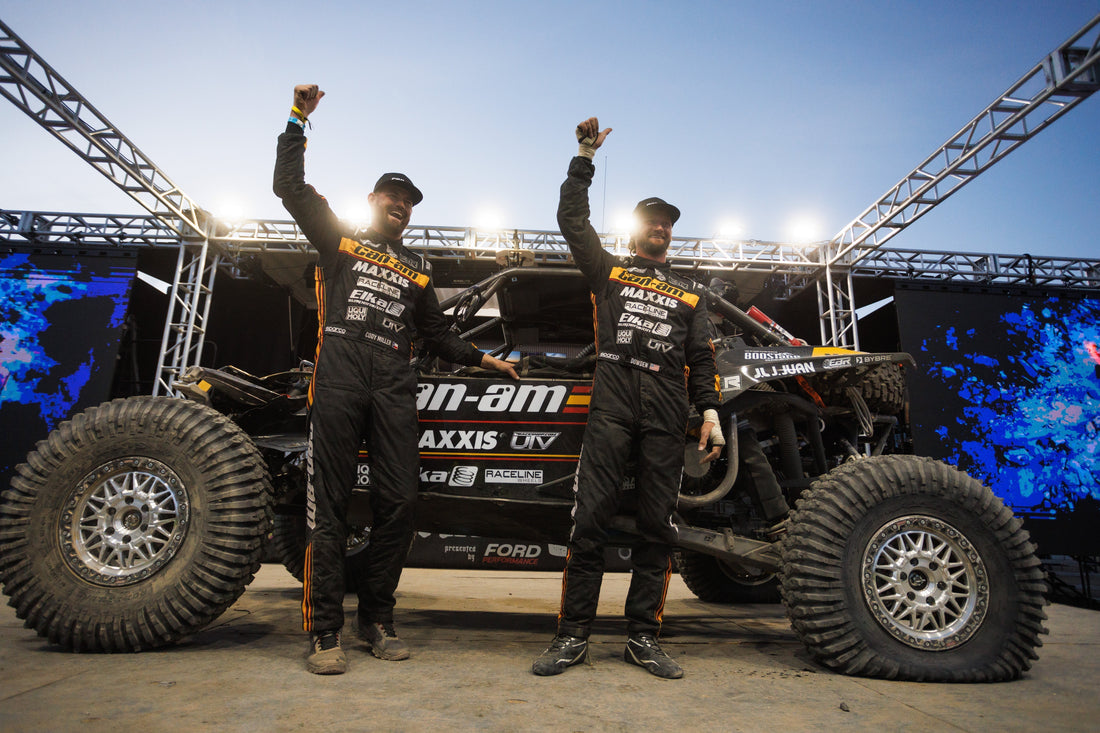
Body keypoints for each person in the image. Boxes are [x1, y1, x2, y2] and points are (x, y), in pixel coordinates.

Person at [273, 84, 518, 675]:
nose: (401, 205)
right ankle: (325, 632)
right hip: (338, 376)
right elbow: (291, 188)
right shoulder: (340, 240)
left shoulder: (418, 269)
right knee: (328, 507)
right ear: (374, 199)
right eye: (392, 196)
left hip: (393, 388)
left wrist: (485, 361)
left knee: (400, 504)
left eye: (409, 201)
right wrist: (298, 118)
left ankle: (376, 619)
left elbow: (436, 334)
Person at [532, 117, 725, 679]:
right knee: (588, 523)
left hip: (667, 415)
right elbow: (571, 219)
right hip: (612, 408)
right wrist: (583, 157)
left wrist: (709, 411)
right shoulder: (610, 271)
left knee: (656, 530)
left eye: (667, 223)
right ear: (637, 229)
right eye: (652, 221)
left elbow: (704, 359)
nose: (660, 228)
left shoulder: (691, 293)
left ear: (672, 233)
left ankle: (643, 637)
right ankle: (572, 637)